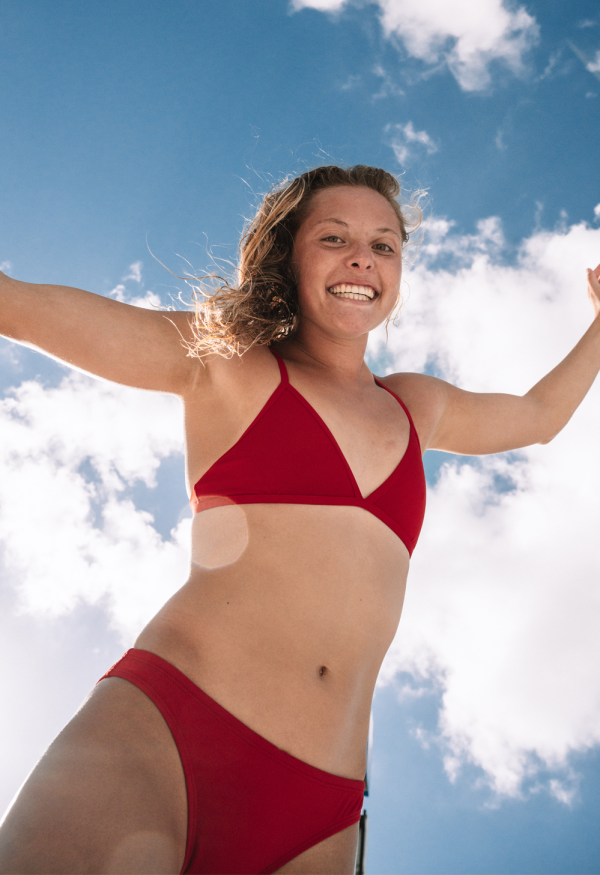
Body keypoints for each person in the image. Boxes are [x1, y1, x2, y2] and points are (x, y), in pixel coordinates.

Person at [0, 164, 598, 875]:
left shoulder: (419, 404)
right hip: (163, 738)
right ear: (288, 252)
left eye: (383, 246)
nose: (360, 259)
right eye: (335, 237)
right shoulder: (225, 364)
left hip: (322, 808)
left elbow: (537, 418)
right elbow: (17, 306)